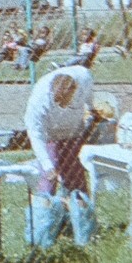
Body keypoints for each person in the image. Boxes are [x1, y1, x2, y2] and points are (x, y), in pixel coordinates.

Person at [24, 63, 96, 196]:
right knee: (48, 177)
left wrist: (92, 109)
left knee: (75, 177)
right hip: (50, 133)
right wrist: (47, 165)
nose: (63, 106)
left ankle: (77, 208)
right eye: (59, 102)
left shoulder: (84, 76)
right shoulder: (39, 101)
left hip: (73, 132)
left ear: (75, 89)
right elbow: (35, 133)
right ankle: (45, 208)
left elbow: (89, 95)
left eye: (66, 101)